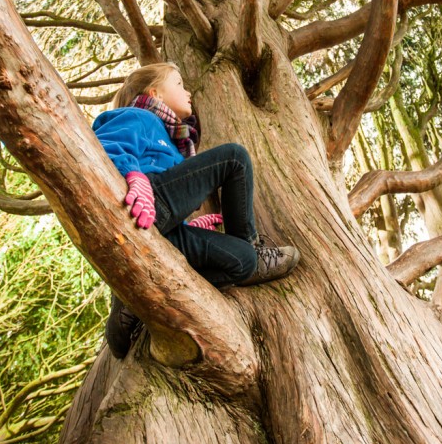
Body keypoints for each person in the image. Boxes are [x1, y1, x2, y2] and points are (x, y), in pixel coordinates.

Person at [92, 62, 300, 358]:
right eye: (179, 84)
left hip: (159, 228)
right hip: (141, 202)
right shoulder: (139, 116)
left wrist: (187, 227)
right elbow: (106, 146)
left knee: (242, 261)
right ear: (155, 94)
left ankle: (136, 302)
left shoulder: (175, 144)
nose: (188, 92)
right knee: (235, 158)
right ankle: (254, 243)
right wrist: (134, 177)